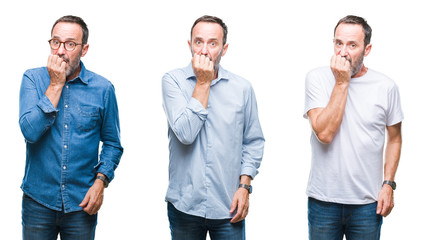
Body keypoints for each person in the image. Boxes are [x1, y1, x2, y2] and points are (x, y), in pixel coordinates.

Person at [19, 15, 123, 240]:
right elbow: (30, 132)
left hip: (81, 202)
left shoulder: (103, 89)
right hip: (38, 200)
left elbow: (113, 143)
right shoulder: (33, 79)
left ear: (84, 49)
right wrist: (56, 84)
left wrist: (100, 182)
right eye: (55, 42)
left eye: (70, 44)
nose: (60, 51)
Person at [162, 15, 265, 240]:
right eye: (198, 42)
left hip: (228, 205)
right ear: (189, 45)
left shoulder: (242, 88)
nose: (204, 51)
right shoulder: (173, 81)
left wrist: (244, 187)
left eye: (212, 43)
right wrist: (203, 82)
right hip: (184, 206)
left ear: (224, 48)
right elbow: (186, 134)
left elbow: (253, 142)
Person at [304, 15, 403, 240]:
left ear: (367, 49)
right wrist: (342, 81)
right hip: (323, 202)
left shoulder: (386, 86)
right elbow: (324, 134)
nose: (343, 52)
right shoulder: (317, 78)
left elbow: (395, 138)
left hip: (367, 204)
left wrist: (388, 183)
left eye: (352, 45)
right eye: (338, 43)